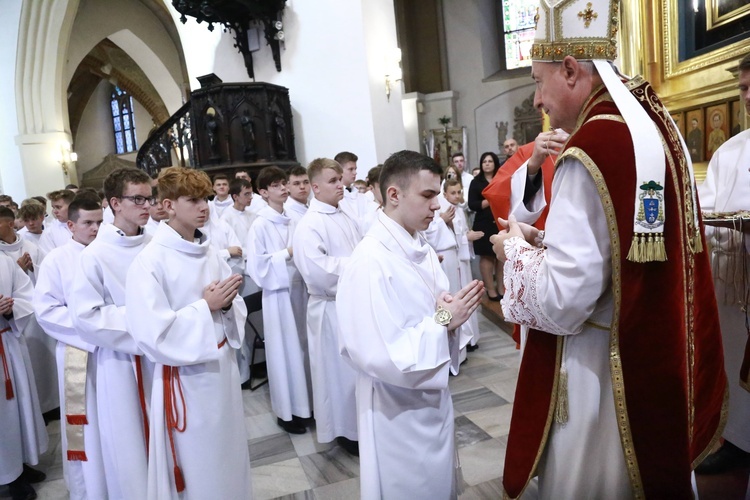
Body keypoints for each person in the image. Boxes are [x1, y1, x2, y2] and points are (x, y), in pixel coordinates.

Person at [491, 1, 725, 497]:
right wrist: (548, 243)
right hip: (655, 359)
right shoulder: (653, 125)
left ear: (571, 70)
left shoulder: (588, 151)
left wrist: (515, 249)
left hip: (602, 372)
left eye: (538, 80)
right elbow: (619, 250)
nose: (538, 100)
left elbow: (563, 299)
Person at [337, 150, 484, 499]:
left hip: (429, 398)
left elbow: (431, 309)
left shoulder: (418, 244)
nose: (436, 206)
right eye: (428, 195)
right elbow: (384, 353)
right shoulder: (370, 262)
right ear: (394, 195)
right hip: (395, 410)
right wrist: (448, 318)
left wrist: (445, 305)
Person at [125, 166, 252, 499]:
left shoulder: (209, 251)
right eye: (192, 200)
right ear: (168, 206)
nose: (203, 207)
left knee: (229, 450)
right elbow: (150, 333)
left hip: (222, 368)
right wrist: (205, 307)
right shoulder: (150, 261)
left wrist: (226, 305)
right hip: (185, 377)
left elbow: (231, 309)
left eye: (206, 198)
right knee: (200, 461)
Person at [69, 167, 154, 499]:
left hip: (162, 357)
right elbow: (86, 316)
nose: (147, 205)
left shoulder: (158, 242)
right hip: (121, 362)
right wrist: (145, 320)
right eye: (138, 199)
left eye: (149, 198)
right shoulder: (94, 256)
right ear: (115, 203)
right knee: (130, 443)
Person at [695, 53, 750, 476]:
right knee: (733, 358)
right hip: (735, 281)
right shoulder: (728, 153)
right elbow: (707, 211)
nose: (748, 97)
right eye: (744, 88)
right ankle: (737, 438)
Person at [34, 193, 107, 499]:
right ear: (69, 225)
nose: (95, 229)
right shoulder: (56, 260)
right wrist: (94, 328)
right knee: (84, 424)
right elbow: (46, 310)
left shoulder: (108, 252)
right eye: (88, 223)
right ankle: (86, 488)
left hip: (113, 351)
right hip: (80, 351)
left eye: (99, 223)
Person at [292, 158, 361, 454]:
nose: (340, 185)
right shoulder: (309, 225)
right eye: (333, 181)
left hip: (353, 304)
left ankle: (361, 426)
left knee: (356, 370)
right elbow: (318, 272)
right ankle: (347, 433)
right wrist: (360, 266)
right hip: (330, 309)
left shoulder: (344, 214)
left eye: (340, 179)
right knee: (338, 372)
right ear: (315, 187)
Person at [245, 166, 312, 434]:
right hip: (279, 295)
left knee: (302, 349)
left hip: (299, 290)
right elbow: (256, 266)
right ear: (263, 192)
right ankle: (288, 412)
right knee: (284, 352)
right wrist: (286, 253)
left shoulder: (294, 219)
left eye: (284, 183)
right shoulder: (260, 224)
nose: (283, 188)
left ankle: (306, 406)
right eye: (276, 185)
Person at [482, 132, 564, 350]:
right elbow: (497, 193)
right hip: (540, 255)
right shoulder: (531, 150)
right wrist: (532, 168)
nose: (539, 101)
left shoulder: (603, 139)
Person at [0, 252, 48, 500]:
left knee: (16, 411)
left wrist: (11, 308)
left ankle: (18, 464)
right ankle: (7, 477)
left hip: (8, 340)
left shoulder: (4, 260)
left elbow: (27, 294)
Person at [468, 152, 503, 300]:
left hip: (500, 220)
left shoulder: (502, 178)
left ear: (495, 163)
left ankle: (501, 288)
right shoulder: (476, 182)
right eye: (484, 161)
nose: (487, 164)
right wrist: (489, 200)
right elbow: (472, 204)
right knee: (487, 257)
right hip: (483, 222)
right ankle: (490, 289)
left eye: (490, 161)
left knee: (501, 257)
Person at [38, 189, 75, 253]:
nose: (54, 211)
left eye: (58, 207)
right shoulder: (49, 233)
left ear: (72, 206)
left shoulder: (85, 225)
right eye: (53, 207)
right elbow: (49, 258)